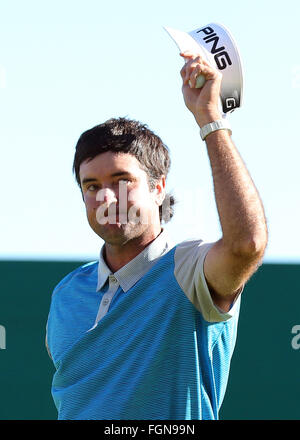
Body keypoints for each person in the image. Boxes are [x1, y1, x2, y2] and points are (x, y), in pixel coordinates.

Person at [45, 51, 268, 420]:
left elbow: (246, 245)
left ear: (158, 187)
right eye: (91, 185)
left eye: (121, 181)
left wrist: (211, 120)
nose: (105, 197)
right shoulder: (66, 294)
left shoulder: (189, 271)